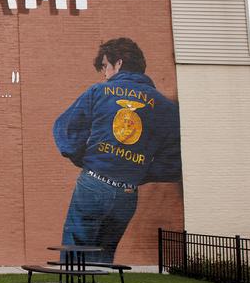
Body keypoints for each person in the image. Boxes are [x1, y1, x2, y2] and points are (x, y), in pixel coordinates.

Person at [52, 37, 181, 263]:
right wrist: (141, 173)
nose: (104, 73)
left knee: (76, 250)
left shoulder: (99, 92)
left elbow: (67, 130)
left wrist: (85, 160)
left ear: (118, 63)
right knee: (105, 254)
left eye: (105, 66)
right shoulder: (165, 107)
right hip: (127, 193)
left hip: (94, 183)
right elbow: (175, 159)